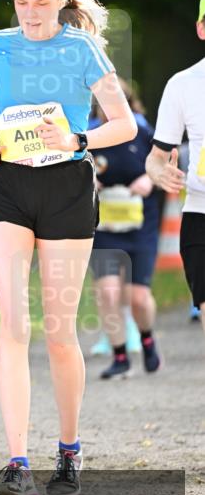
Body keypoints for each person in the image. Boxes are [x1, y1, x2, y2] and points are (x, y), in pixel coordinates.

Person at [0, 0, 137, 495]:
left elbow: (122, 124)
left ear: (61, 1)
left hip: (67, 187)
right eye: (21, 3)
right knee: (14, 323)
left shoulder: (82, 48)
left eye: (41, 3)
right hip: (6, 186)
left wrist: (77, 139)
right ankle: (17, 463)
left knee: (58, 330)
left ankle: (68, 448)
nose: (30, 14)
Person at [88, 80, 162, 378]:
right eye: (101, 104)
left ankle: (146, 339)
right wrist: (86, 180)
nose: (106, 110)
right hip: (104, 227)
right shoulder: (88, 133)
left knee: (138, 298)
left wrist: (149, 179)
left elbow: (166, 164)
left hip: (140, 226)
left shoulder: (143, 131)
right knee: (107, 293)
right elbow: (70, 165)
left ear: (127, 102)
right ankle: (120, 357)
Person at [146, 0, 205, 332]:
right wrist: (159, 172)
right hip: (200, 213)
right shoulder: (182, 85)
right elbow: (154, 158)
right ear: (201, 29)